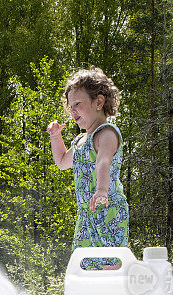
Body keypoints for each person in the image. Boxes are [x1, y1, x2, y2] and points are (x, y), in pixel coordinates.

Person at [46, 67, 128, 270]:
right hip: (86, 215)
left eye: (78, 104)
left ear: (98, 102)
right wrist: (56, 137)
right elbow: (63, 162)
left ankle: (114, 294)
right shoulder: (80, 141)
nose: (72, 111)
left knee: (110, 263)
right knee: (84, 264)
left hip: (109, 209)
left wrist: (101, 190)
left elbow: (103, 162)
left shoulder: (106, 133)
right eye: (70, 106)